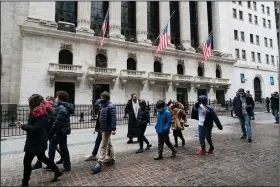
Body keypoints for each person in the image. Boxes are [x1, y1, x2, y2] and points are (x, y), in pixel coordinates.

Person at [19, 94, 63, 186]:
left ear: (34, 103)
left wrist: (23, 126)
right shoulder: (37, 112)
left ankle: (24, 183)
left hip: (36, 142)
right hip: (37, 140)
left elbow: (36, 128)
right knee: (42, 158)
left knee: (27, 161)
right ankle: (57, 171)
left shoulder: (41, 113)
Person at [32, 96, 64, 170]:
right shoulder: (53, 106)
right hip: (50, 129)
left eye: (48, 100)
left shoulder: (47, 106)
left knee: (46, 146)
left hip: (47, 129)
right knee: (52, 145)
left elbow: (47, 118)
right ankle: (61, 157)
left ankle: (43, 162)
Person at [48, 91, 74, 172]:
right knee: (62, 148)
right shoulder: (59, 107)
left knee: (54, 147)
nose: (55, 98)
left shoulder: (62, 108)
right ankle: (66, 166)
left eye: (56, 97)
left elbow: (58, 123)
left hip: (60, 132)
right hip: (60, 131)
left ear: (60, 98)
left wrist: (52, 132)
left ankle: (55, 166)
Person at [91, 91, 116, 174]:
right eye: (100, 97)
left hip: (107, 129)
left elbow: (113, 118)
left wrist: (113, 128)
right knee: (108, 144)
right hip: (102, 128)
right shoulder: (102, 105)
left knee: (103, 146)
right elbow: (96, 103)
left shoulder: (110, 106)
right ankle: (111, 159)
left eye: (102, 97)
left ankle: (99, 164)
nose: (101, 99)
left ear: (106, 98)